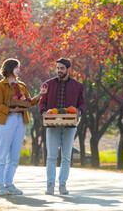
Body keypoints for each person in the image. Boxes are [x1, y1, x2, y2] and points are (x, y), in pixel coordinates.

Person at [0, 58, 47, 195]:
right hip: (6, 120)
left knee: (15, 155)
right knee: (2, 153)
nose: (19, 70)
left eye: (19, 67)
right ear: (9, 68)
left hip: (20, 121)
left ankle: (9, 184)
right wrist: (11, 110)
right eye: (17, 67)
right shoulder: (0, 85)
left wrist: (40, 94)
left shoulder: (21, 86)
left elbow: (29, 102)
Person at [39, 57, 86, 195]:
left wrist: (79, 111)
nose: (59, 71)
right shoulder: (48, 84)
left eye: (62, 68)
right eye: (57, 68)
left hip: (70, 125)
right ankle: (50, 184)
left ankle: (62, 184)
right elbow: (42, 103)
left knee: (66, 156)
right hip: (52, 124)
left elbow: (82, 104)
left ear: (68, 69)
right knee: (51, 156)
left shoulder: (78, 86)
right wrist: (43, 113)